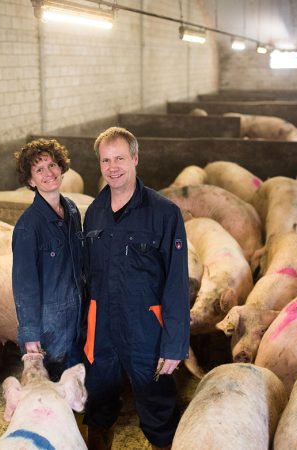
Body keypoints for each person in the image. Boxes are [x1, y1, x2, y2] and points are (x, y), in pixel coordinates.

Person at [82, 127, 190, 450]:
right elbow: (88, 277)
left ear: (135, 159)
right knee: (98, 405)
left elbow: (176, 283)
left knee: (157, 406)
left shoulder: (164, 213)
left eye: (119, 158)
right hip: (102, 329)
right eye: (105, 160)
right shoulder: (94, 213)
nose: (112, 167)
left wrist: (174, 344)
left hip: (146, 330)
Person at [11, 138, 84, 381]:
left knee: (73, 382)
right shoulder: (28, 227)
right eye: (39, 169)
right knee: (52, 385)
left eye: (52, 165)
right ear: (30, 181)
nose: (48, 173)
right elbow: (24, 286)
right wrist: (30, 335)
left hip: (77, 316)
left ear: (61, 168)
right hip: (49, 327)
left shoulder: (72, 209)